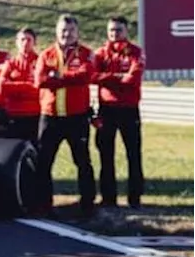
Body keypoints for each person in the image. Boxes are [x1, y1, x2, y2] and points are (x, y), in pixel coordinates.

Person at [32, 14, 98, 218]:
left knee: (83, 161)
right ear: (56, 32)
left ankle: (87, 204)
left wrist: (59, 76)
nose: (66, 34)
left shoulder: (86, 53)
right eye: (63, 30)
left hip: (76, 117)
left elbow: (87, 75)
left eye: (70, 31)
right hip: (50, 116)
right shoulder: (46, 54)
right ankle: (44, 205)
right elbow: (40, 81)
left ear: (77, 32)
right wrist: (69, 78)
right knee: (44, 162)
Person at [93, 16, 146, 208]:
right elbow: (92, 75)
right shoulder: (100, 53)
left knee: (133, 154)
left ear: (126, 31)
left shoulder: (136, 52)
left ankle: (135, 198)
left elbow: (132, 78)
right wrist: (116, 77)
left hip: (129, 110)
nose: (115, 34)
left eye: (119, 30)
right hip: (106, 110)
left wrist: (107, 79)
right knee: (105, 154)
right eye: (111, 30)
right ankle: (108, 198)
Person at [0, 27, 41, 143]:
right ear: (17, 42)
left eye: (29, 40)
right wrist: (27, 86)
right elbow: (2, 87)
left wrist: (15, 88)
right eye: (22, 39)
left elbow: (40, 89)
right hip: (14, 115)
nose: (25, 43)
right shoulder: (11, 64)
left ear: (34, 42)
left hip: (35, 115)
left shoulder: (41, 62)